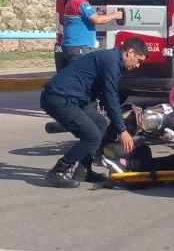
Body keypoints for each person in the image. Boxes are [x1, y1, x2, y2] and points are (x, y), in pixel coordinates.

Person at [41, 38, 149, 188]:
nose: (137, 65)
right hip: (59, 98)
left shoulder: (114, 61)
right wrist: (122, 130)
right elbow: (111, 98)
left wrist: (119, 121)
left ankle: (83, 170)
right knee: (92, 136)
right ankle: (58, 171)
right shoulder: (111, 61)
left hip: (76, 99)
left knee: (100, 123)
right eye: (138, 61)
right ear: (130, 52)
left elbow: (107, 97)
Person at [56, 0, 123, 72]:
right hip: (79, 47)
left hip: (74, 46)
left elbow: (81, 23)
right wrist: (114, 15)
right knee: (81, 76)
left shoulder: (72, 1)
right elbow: (97, 20)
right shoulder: (79, 2)